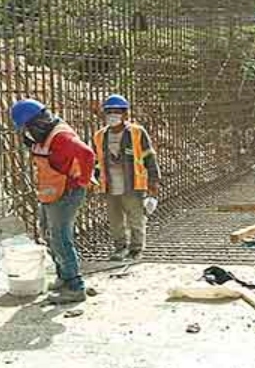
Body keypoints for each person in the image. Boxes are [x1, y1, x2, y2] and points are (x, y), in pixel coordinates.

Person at [11, 98, 95, 304]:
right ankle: (63, 276)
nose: (26, 133)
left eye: (27, 129)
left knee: (60, 237)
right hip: (51, 192)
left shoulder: (61, 136)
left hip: (67, 192)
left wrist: (83, 180)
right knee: (48, 233)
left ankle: (75, 286)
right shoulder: (45, 135)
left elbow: (87, 154)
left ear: (36, 124)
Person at [91, 94, 160, 261]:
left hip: (132, 184)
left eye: (117, 112)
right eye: (109, 112)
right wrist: (94, 181)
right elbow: (96, 162)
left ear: (125, 114)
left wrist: (153, 185)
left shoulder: (136, 133)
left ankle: (136, 249)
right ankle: (120, 248)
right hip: (110, 185)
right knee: (115, 221)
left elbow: (149, 157)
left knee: (135, 219)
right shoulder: (100, 136)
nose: (113, 115)